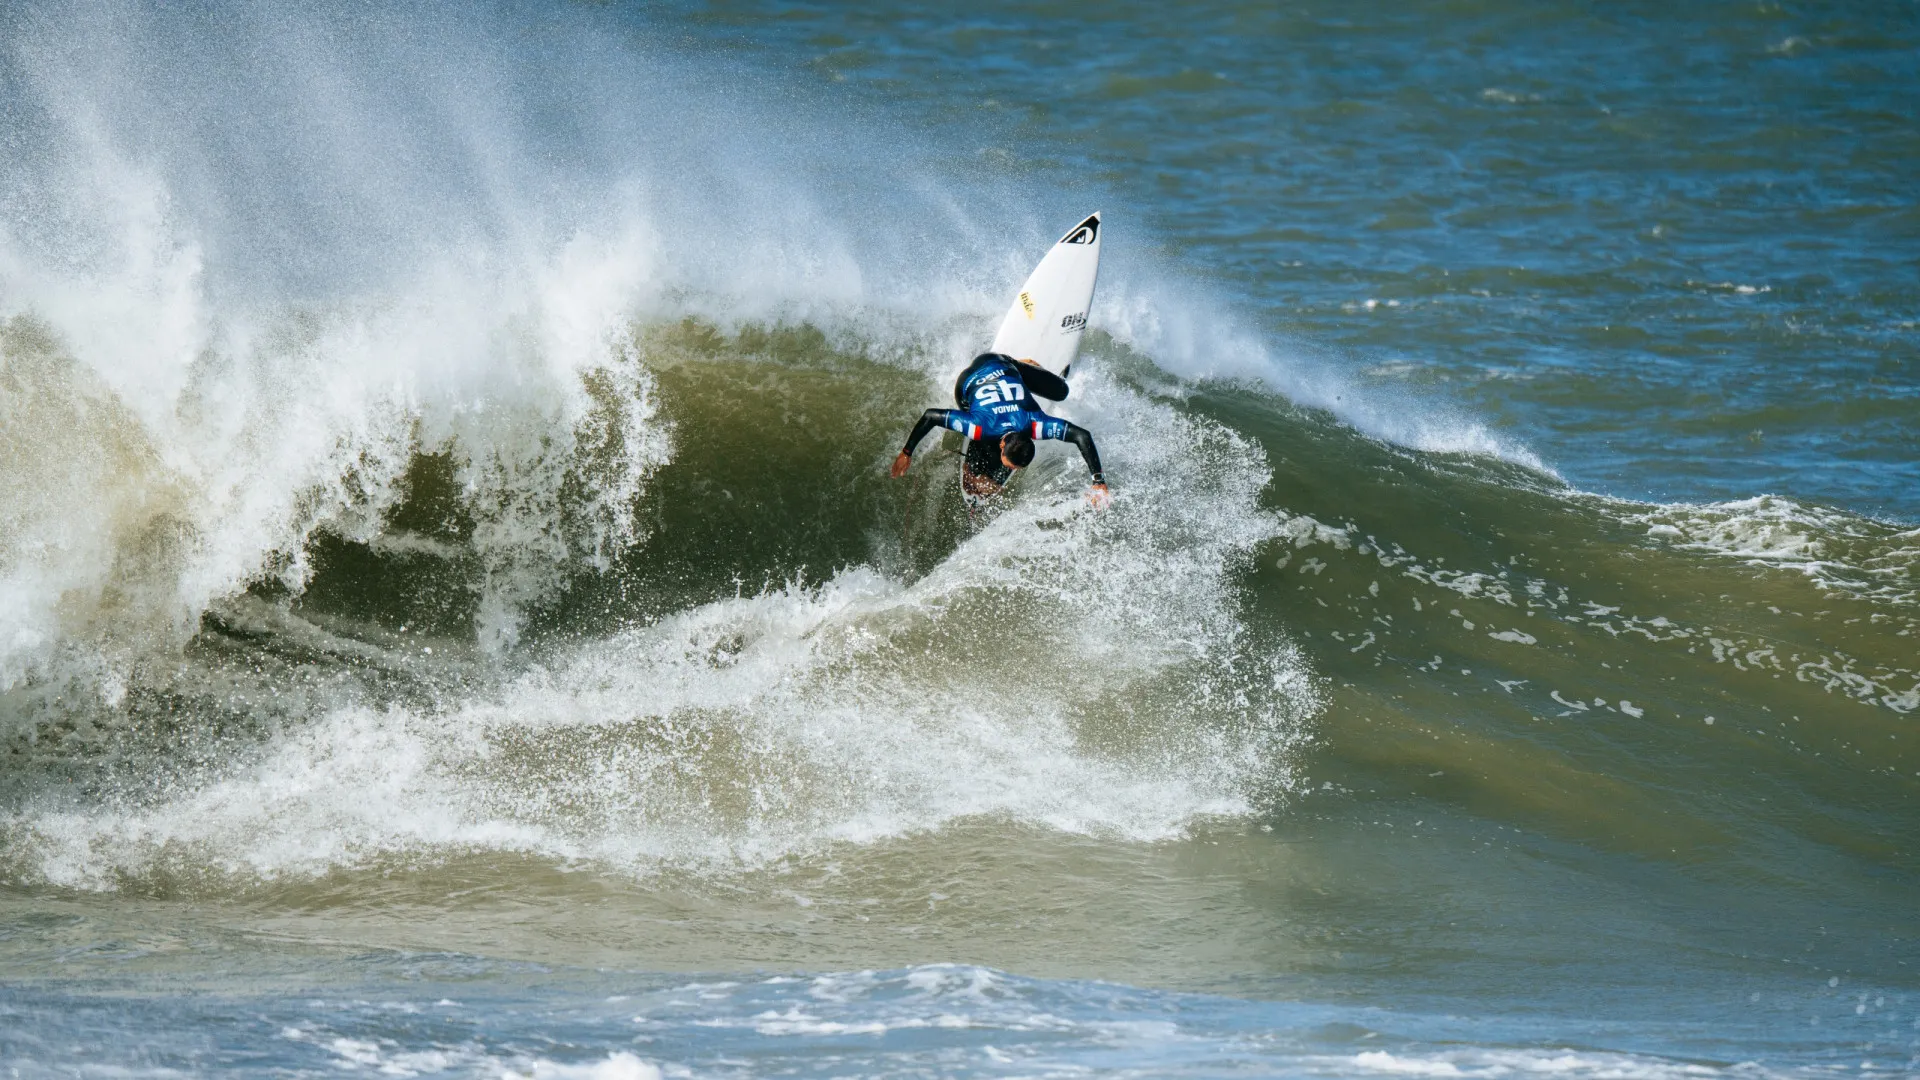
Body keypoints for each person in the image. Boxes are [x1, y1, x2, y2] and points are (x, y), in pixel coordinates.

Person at [889, 352, 1109, 506]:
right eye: (1012, 464)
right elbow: (930, 416)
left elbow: (1082, 436)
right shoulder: (977, 427)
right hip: (970, 381)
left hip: (1005, 364)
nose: (1014, 469)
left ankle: (1023, 365)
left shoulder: (1035, 424)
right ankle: (972, 470)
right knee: (985, 444)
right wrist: (906, 453)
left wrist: (1099, 482)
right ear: (1003, 444)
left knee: (1062, 391)